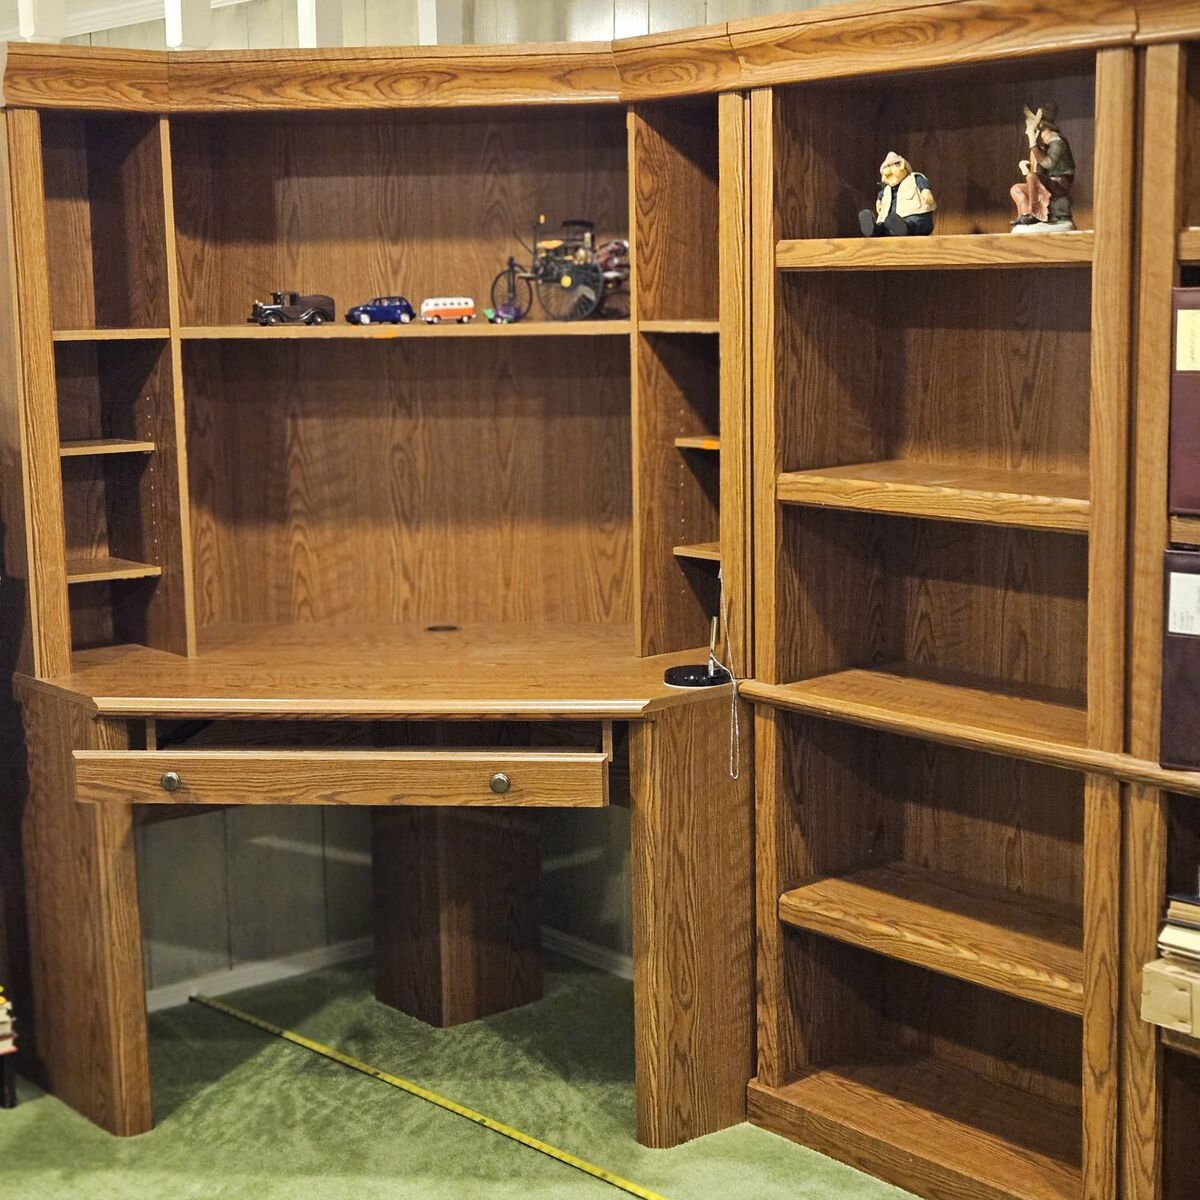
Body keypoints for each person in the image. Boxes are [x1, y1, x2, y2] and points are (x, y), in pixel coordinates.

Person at [1011, 105, 1075, 229]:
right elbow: (1039, 170)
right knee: (1016, 189)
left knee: (1031, 177)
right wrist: (1026, 167)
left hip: (1060, 182)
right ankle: (1025, 214)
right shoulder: (1045, 146)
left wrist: (1032, 143)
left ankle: (1035, 213)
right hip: (1049, 182)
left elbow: (1048, 163)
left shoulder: (1058, 142)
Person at [858, 152, 936, 237]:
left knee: (913, 223)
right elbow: (881, 194)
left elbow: (923, 184)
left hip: (913, 213)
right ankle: (875, 230)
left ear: (902, 165)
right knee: (885, 225)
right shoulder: (887, 188)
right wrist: (879, 202)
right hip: (890, 219)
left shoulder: (913, 178)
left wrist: (925, 191)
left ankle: (903, 228)